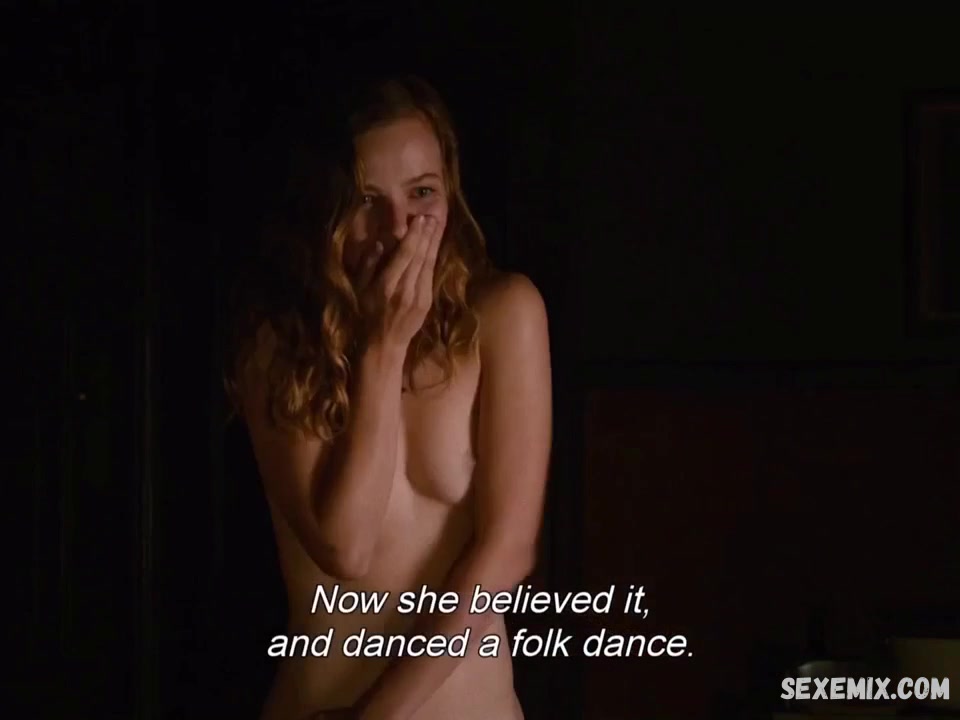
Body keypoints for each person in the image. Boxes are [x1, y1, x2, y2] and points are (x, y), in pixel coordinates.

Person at [223, 75, 553, 720]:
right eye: (365, 201)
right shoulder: (277, 341)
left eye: (422, 193)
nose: (397, 228)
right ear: (324, 209)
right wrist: (383, 348)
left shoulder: (504, 314)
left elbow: (508, 548)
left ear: (450, 192)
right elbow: (346, 549)